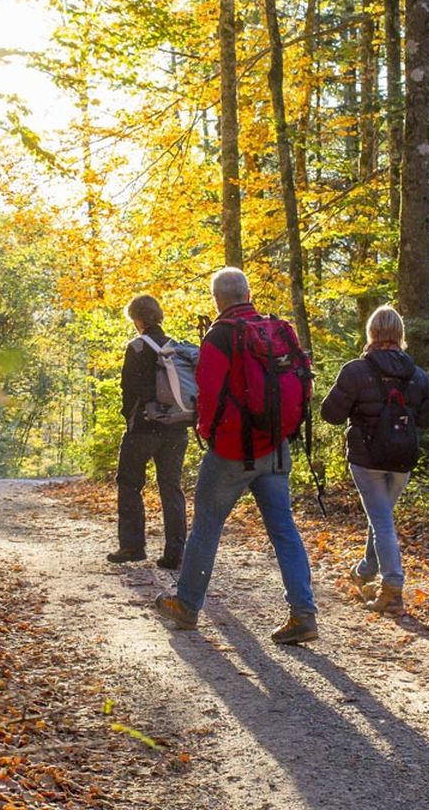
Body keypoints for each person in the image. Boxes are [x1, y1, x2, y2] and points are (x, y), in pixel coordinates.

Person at [153, 268, 319, 644]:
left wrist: (207, 432)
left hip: (231, 451)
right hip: (276, 447)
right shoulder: (277, 330)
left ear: (218, 300)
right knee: (284, 530)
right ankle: (303, 613)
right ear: (247, 294)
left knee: (207, 527)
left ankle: (187, 604)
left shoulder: (221, 335)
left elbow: (208, 394)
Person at [320, 305, 429, 616]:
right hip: (402, 460)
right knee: (381, 516)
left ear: (371, 333)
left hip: (367, 457)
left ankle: (393, 587)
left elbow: (330, 414)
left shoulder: (356, 371)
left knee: (381, 519)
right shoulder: (417, 376)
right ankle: (366, 569)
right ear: (400, 335)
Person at [107, 294, 191, 569]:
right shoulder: (176, 348)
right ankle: (175, 552)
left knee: (130, 484)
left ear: (138, 319)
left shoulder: (137, 348)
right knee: (171, 488)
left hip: (143, 427)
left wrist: (128, 416)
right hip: (177, 427)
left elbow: (128, 390)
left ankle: (132, 546)